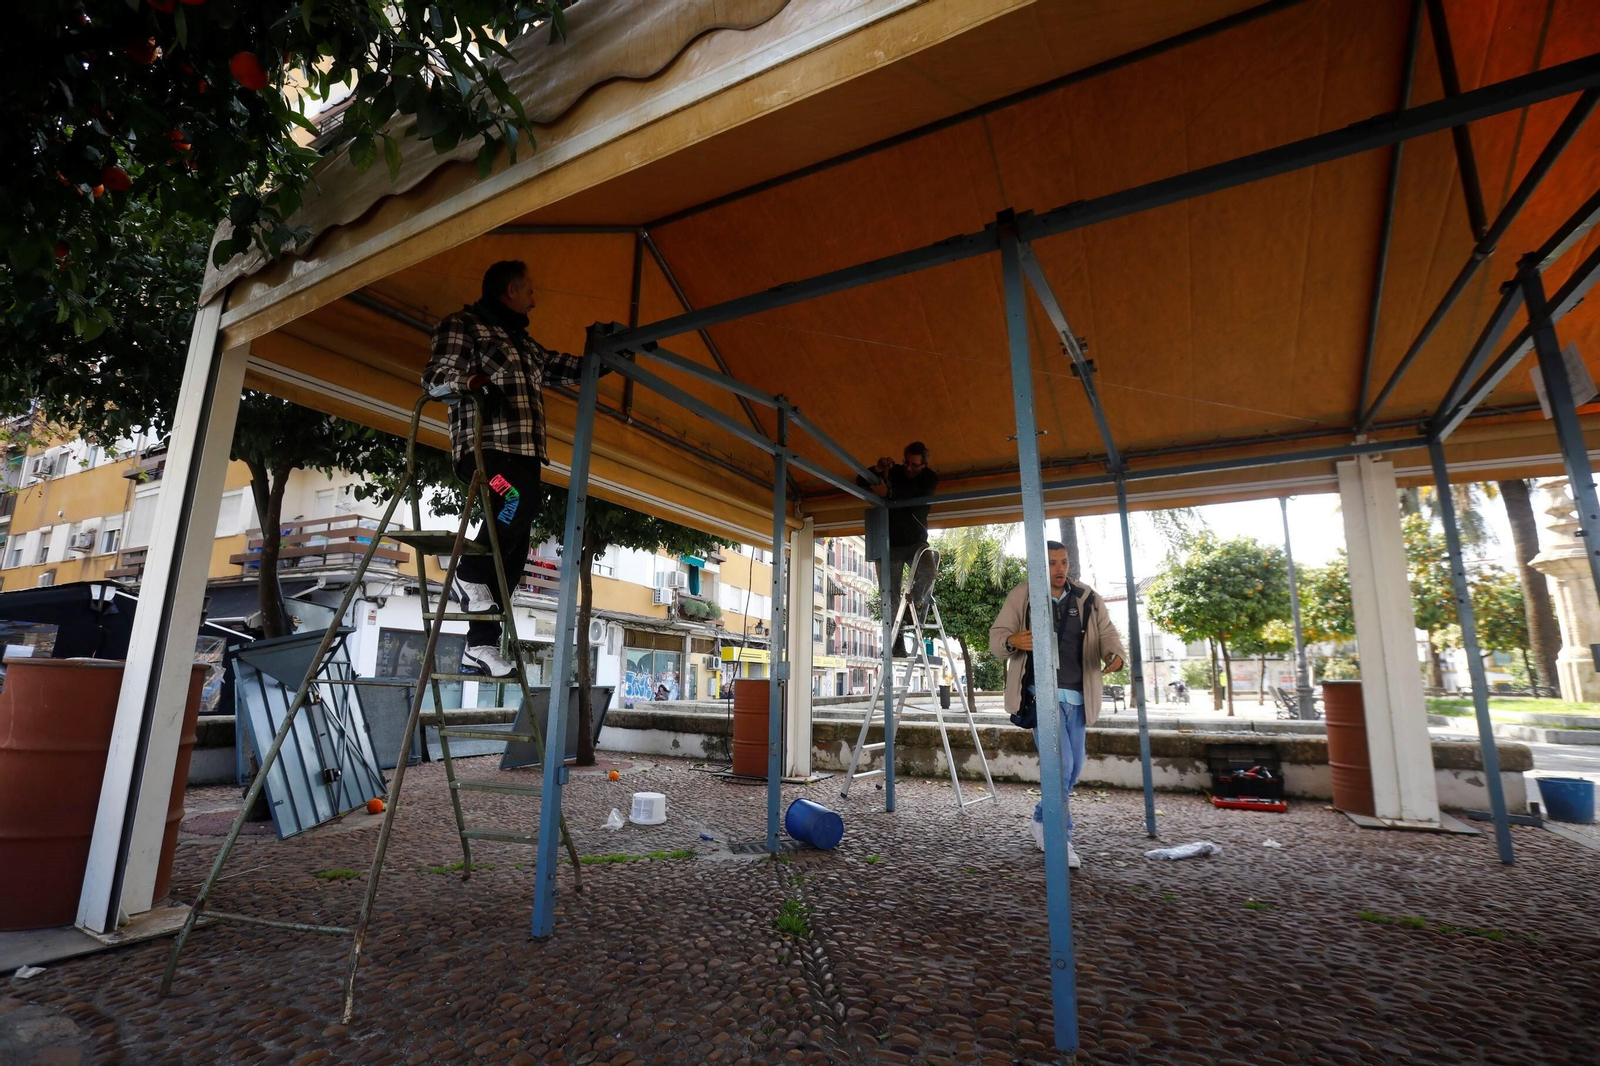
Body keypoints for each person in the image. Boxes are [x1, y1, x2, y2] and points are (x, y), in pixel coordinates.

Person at [422, 260, 604, 677]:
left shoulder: (524, 344)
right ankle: (467, 573)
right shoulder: (463, 324)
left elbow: (562, 367)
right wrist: (474, 384)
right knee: (513, 502)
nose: (534, 300)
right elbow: (436, 375)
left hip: (522, 454)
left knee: (515, 538)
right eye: (530, 291)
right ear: (510, 290)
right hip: (483, 451)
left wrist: (607, 357)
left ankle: (479, 646)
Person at [989, 540, 1126, 870]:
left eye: (1063, 561)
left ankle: (1040, 818)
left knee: (1073, 770)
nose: (1060, 568)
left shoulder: (1087, 597)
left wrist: (1115, 654)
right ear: (1038, 565)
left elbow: (1107, 632)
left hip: (1079, 698)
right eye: (1052, 563)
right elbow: (997, 638)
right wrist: (1012, 640)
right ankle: (1058, 836)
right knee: (1061, 769)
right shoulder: (1022, 595)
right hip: (1042, 697)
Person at [856, 442, 939, 653]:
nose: (909, 468)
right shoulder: (894, 472)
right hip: (889, 543)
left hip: (915, 541)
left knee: (928, 572)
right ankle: (896, 640)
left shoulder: (930, 478)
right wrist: (877, 470)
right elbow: (859, 480)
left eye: (914, 465)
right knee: (888, 594)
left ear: (924, 465)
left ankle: (910, 609)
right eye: (906, 463)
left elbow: (913, 494)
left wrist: (889, 491)